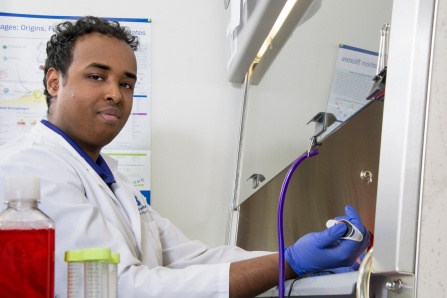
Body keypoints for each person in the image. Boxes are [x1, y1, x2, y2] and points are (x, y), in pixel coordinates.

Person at [0, 16, 370, 298]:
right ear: (54, 82)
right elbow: (121, 288)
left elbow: (190, 257)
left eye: (127, 83)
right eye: (97, 77)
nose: (116, 93)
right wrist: (288, 264)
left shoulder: (112, 178)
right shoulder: (31, 167)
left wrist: (294, 262)